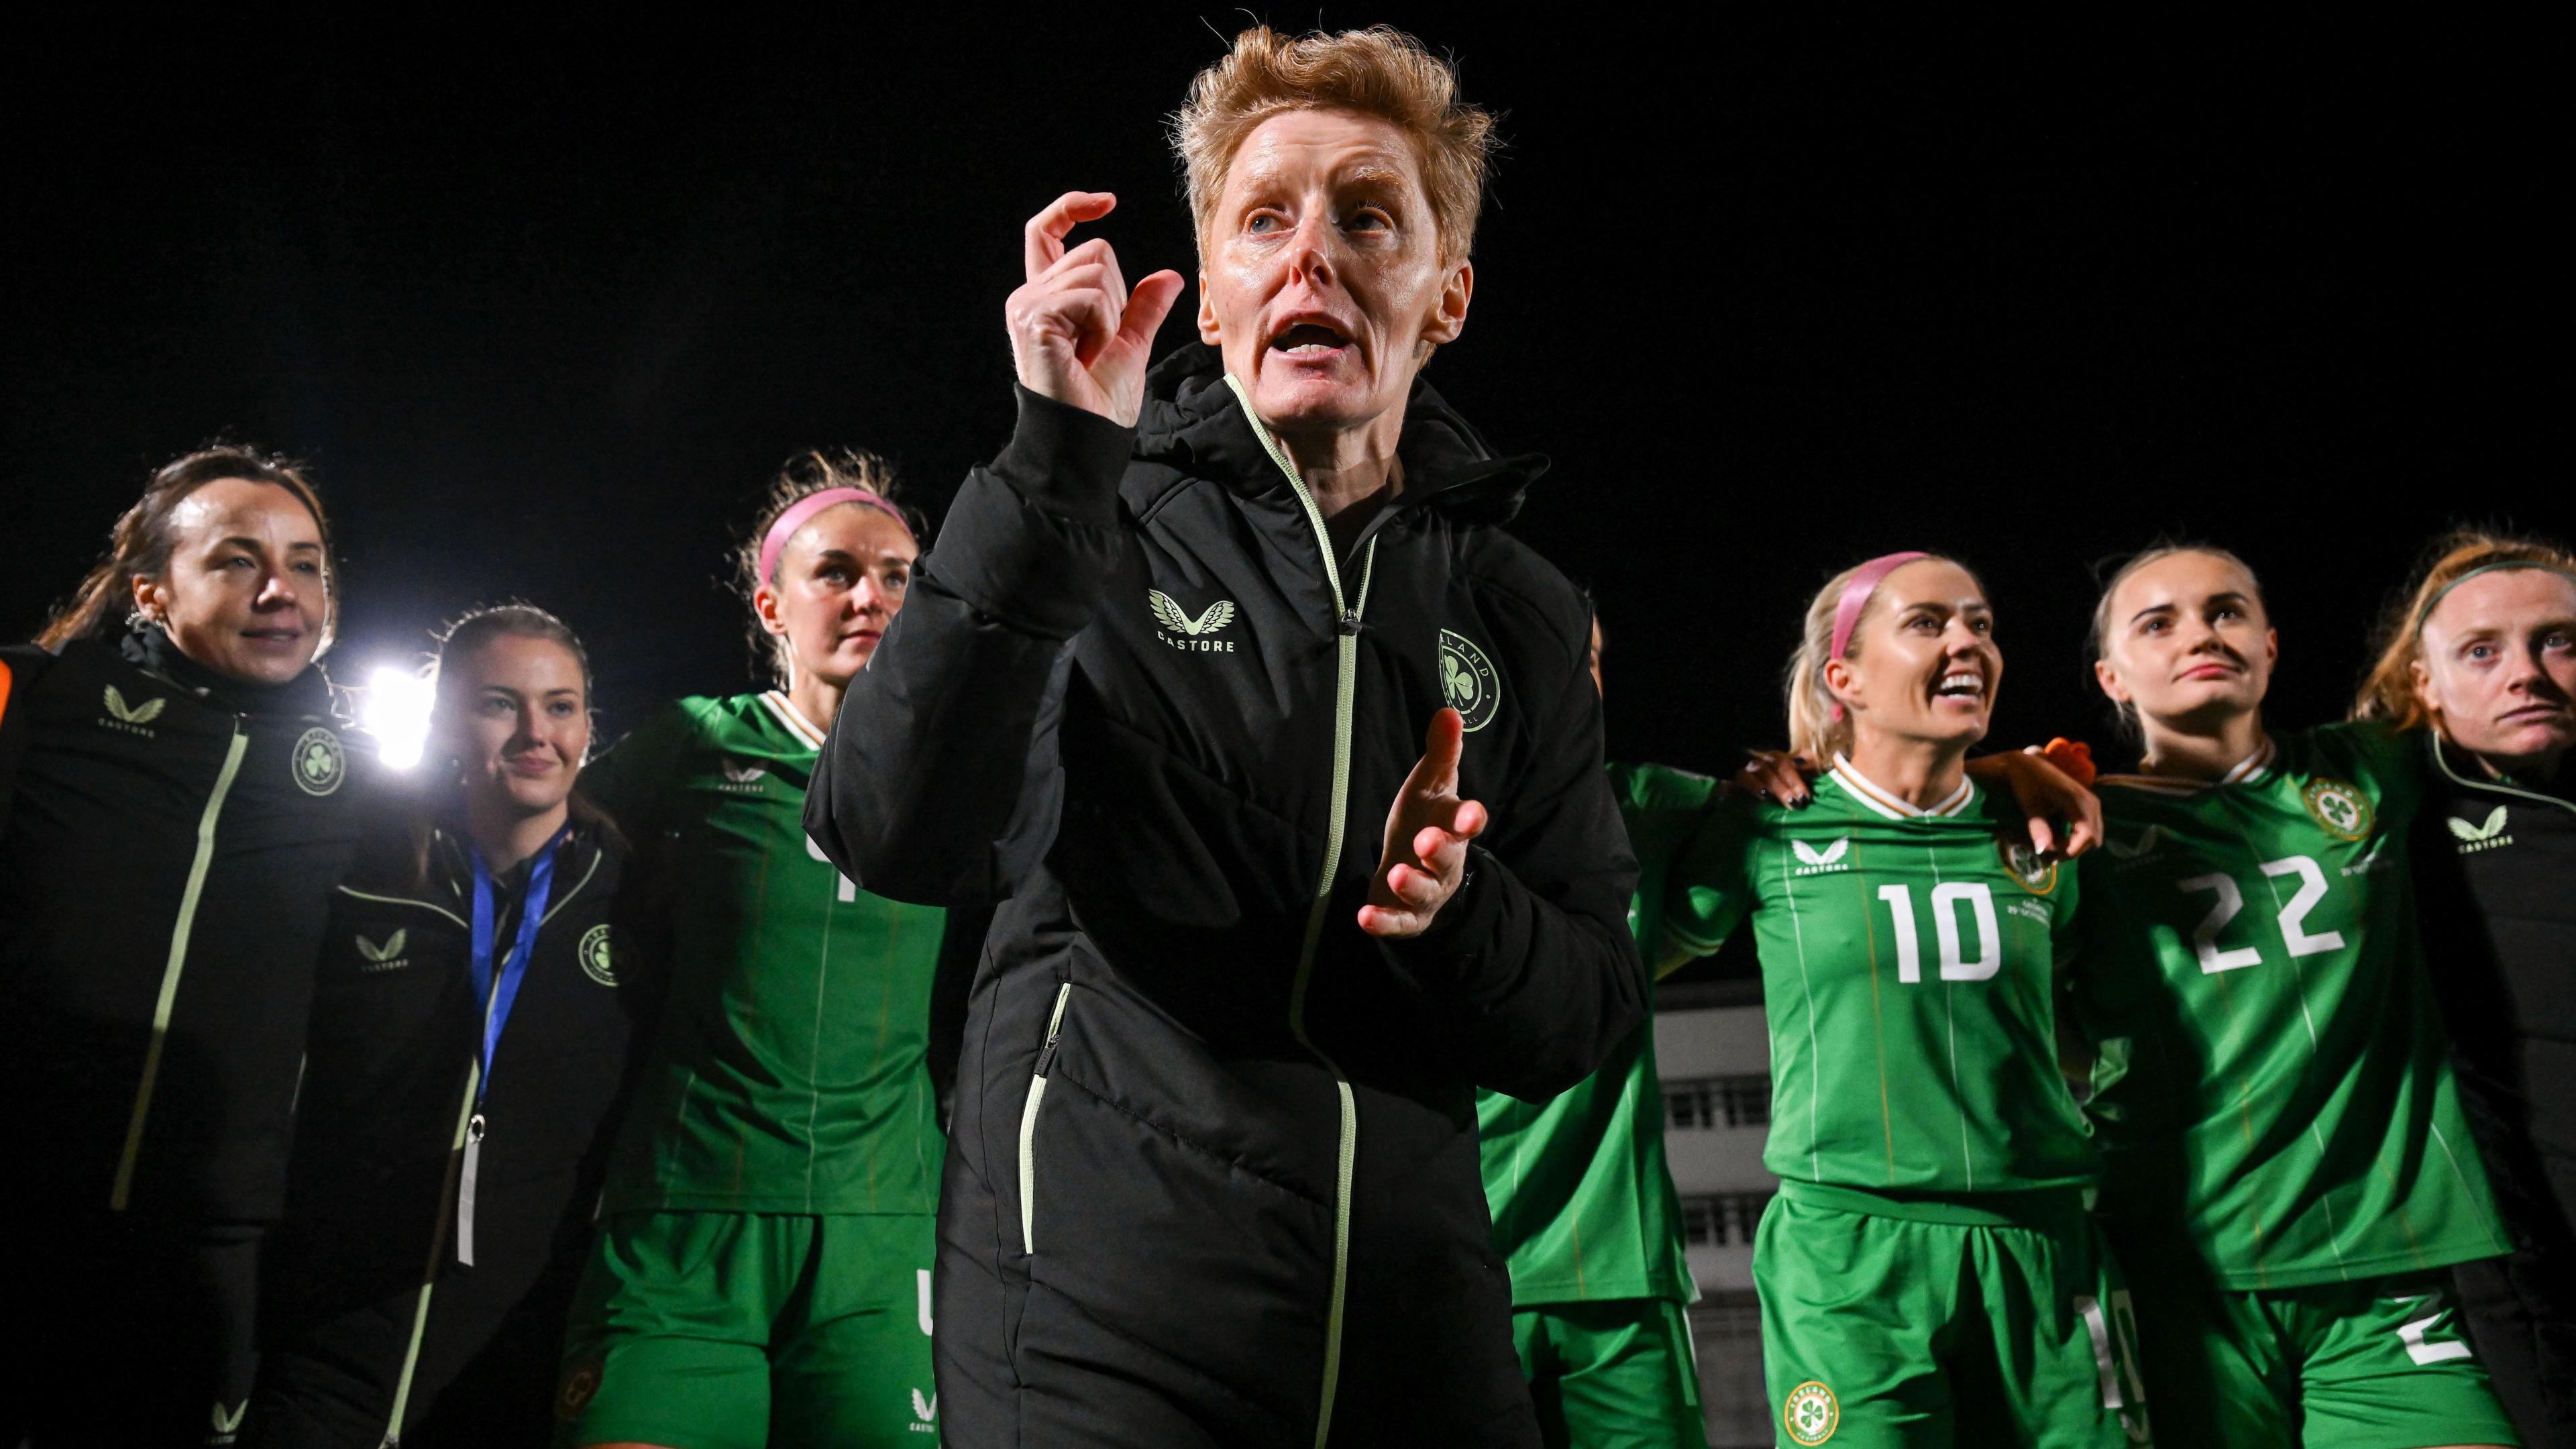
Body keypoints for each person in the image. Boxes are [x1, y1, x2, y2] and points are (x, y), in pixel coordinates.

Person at [805, 24, 1645, 1448]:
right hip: (1100, 1328)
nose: (1311, 252)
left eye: (1367, 216)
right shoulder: (1088, 527)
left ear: (1445, 294)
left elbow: (1585, 1015)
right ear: (1213, 292)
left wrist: (1456, 908)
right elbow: (895, 830)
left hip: (1414, 1333)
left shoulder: (1521, 609)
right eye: (1265, 219)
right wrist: (1056, 459)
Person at [1660, 553, 2147, 1449]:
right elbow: (1620, 968)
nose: (1966, 639)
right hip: (1849, 1252)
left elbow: (2100, 1038)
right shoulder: (1769, 825)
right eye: (1927, 623)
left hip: (2036, 1245)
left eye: (1980, 623)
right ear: (1843, 677)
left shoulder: (2044, 825)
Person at [2073, 541, 2520, 1449]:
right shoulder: (2071, 824)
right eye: (2158, 623)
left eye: (2227, 611)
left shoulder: (2373, 766)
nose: (2201, 633)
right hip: (2182, 1271)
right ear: (2112, 677)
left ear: (2272, 646)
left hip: (2389, 1261)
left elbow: (2472, 676)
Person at [555, 451, 953, 1449]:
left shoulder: (964, 767)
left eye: (901, 575)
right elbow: (535, 846)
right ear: (773, 609)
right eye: (838, 573)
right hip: (688, 1216)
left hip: (882, 1228)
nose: (874, 595)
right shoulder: (696, 742)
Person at [0, 447, 365, 1447]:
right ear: (152, 594)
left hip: (202, 1260)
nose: (281, 590)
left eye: (306, 563)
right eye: (238, 561)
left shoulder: (368, 791)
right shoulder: (35, 703)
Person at [249, 606, 648, 1448]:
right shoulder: (365, 863)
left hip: (512, 1349)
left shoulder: (639, 898)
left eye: (562, 706)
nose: (536, 732)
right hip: (328, 1330)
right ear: (443, 722)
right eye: (499, 704)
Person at [2352, 532, 2576, 1448]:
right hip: (2532, 1283)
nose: (2526, 673)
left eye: (2560, 640)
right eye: (2482, 652)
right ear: (2425, 686)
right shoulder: (2384, 805)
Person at [1477, 616, 1709, 1449]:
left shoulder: (1649, 805)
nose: (1571, 676)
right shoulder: (1370, 815)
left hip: (1615, 1275)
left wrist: (2006, 775)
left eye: (1591, 657)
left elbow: (1838, 802)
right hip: (1454, 1281)